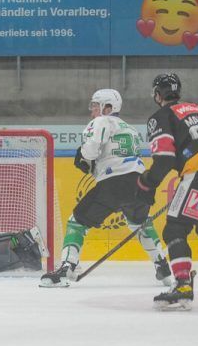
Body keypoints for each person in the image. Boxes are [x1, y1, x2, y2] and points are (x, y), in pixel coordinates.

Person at [40, 89, 171, 288]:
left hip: (114, 183)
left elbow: (91, 150)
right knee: (140, 223)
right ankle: (162, 266)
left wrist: (84, 157)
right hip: (140, 182)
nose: (92, 110)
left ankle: (66, 267)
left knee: (77, 222)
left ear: (108, 108)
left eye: (95, 105)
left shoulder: (102, 121)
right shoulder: (131, 129)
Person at [135, 73, 198, 311]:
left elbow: (163, 159)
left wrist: (146, 185)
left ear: (157, 95)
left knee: (175, 228)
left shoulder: (160, 116)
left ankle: (182, 285)